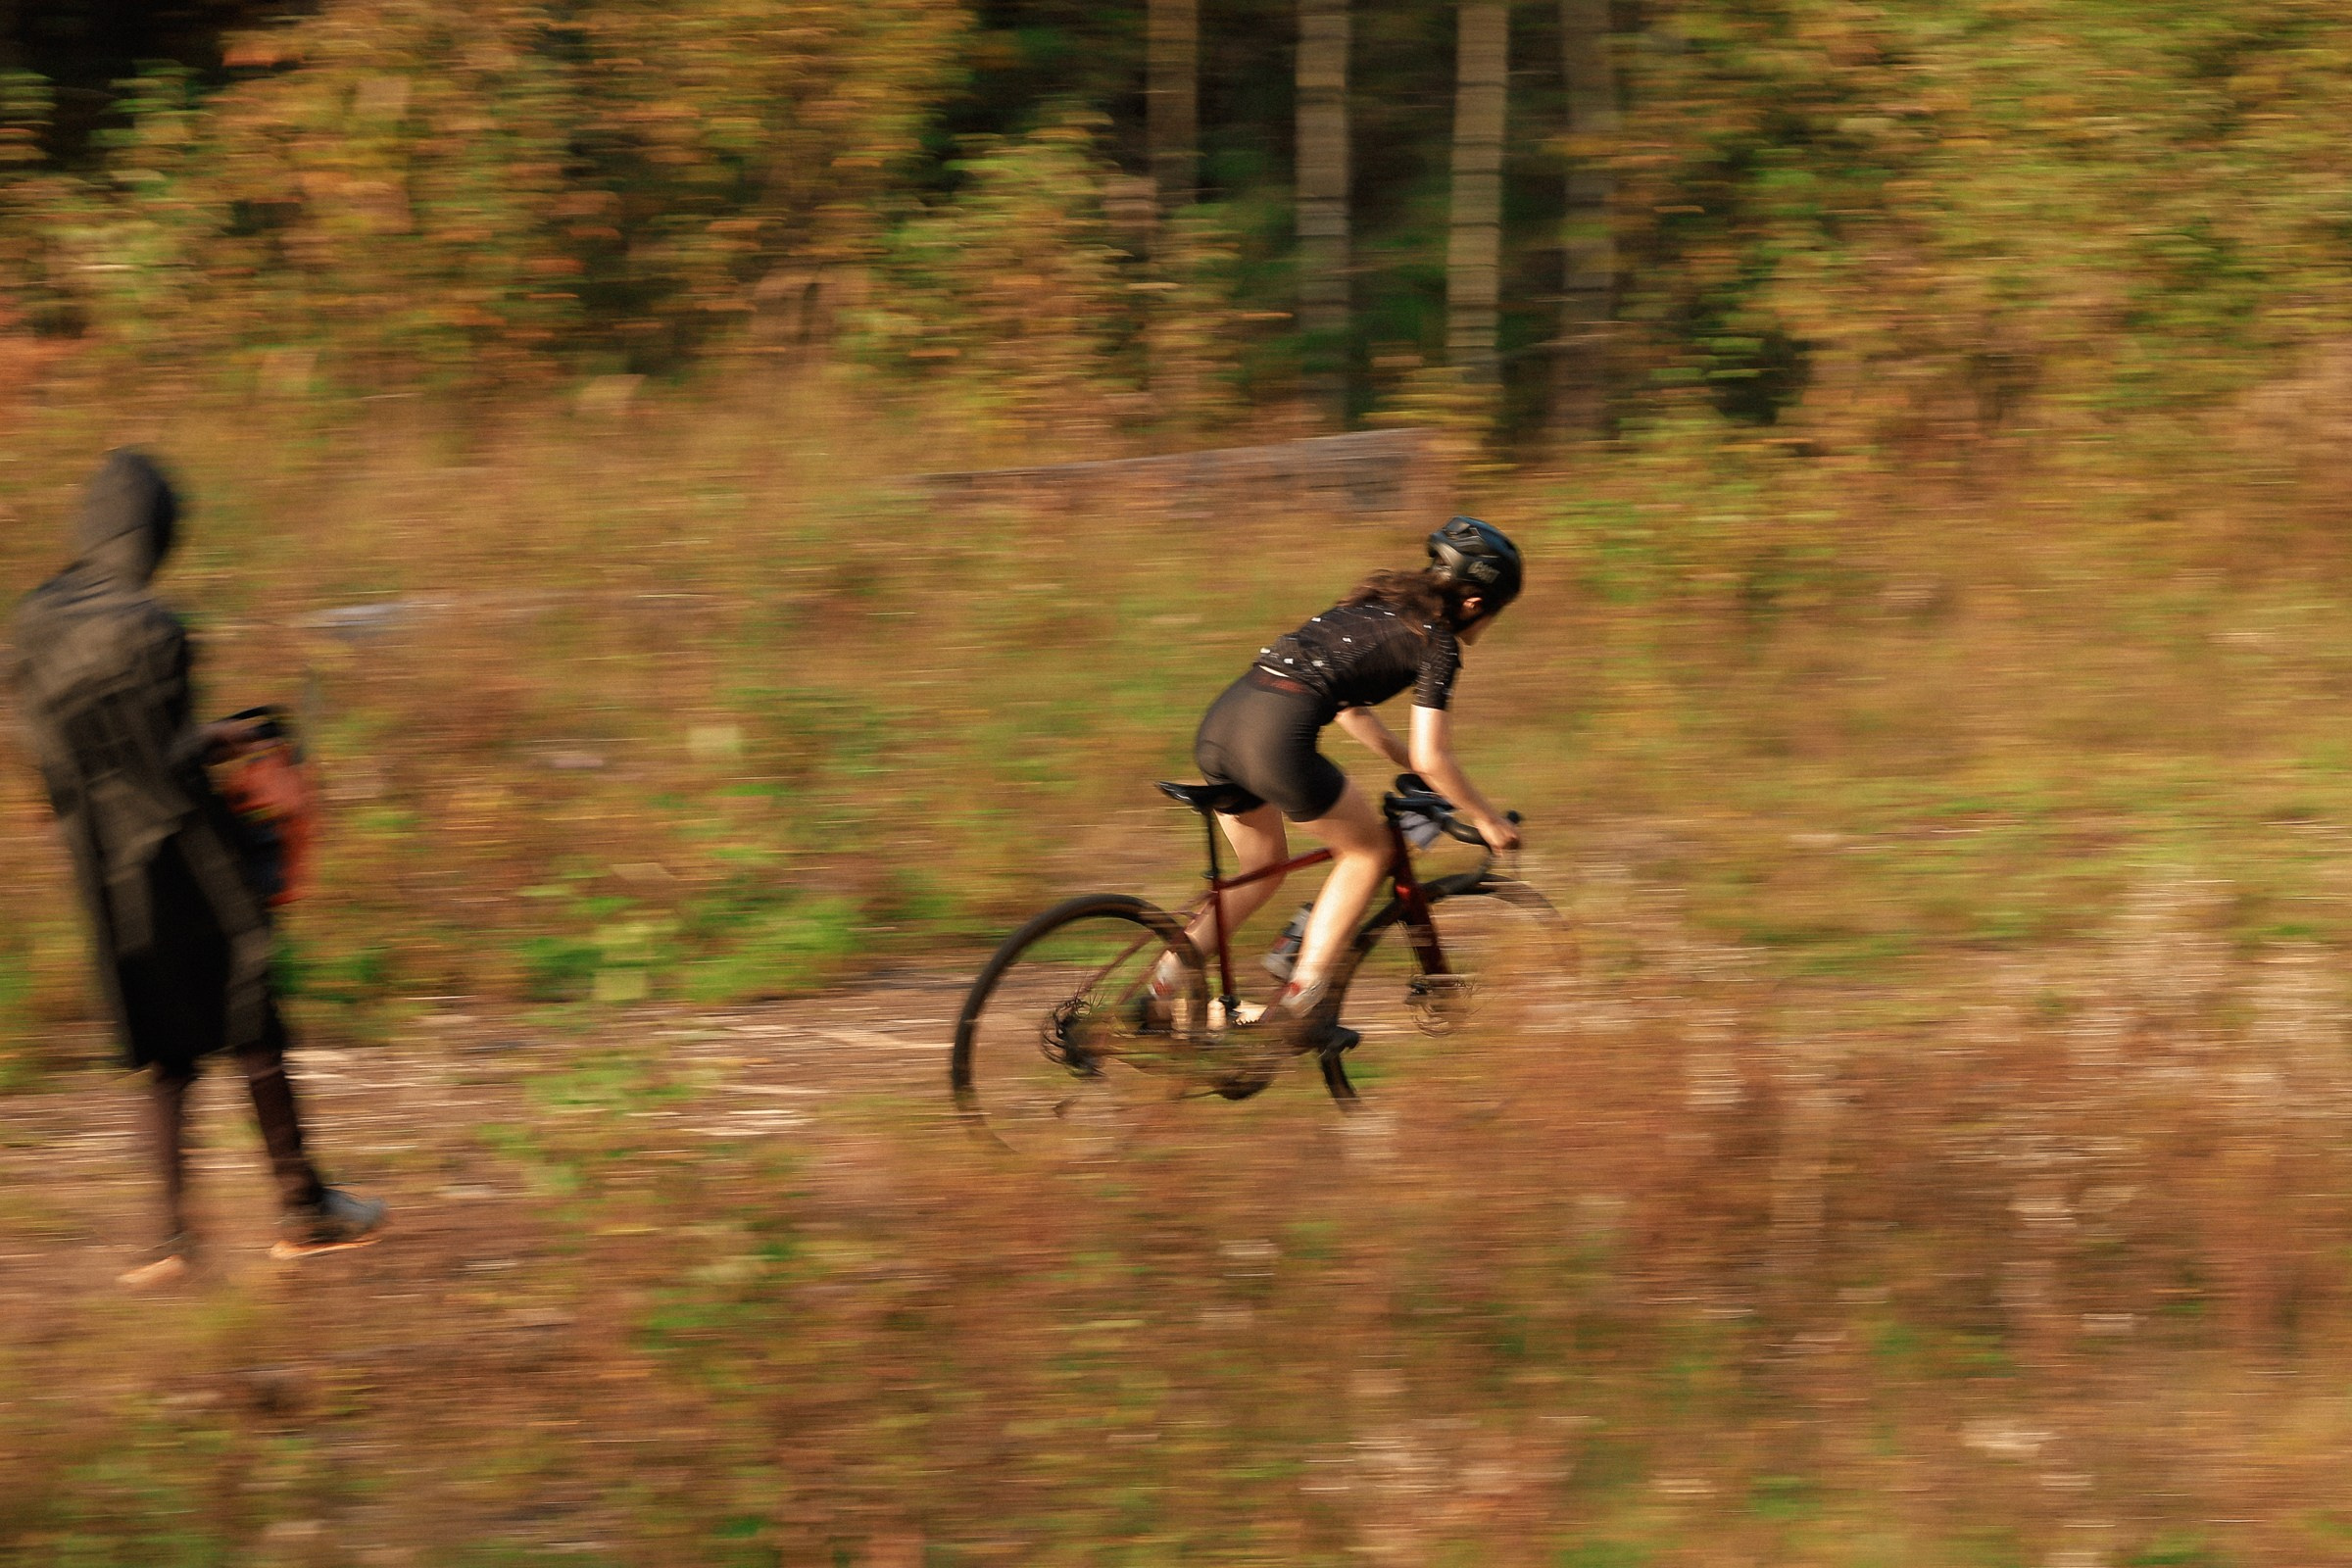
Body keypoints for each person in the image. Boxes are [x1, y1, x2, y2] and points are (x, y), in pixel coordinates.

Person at [9, 449, 384, 1286]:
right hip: (187, 857)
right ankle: (305, 1208)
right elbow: (172, 768)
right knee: (254, 1020)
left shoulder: (34, 619)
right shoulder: (155, 626)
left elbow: (82, 751)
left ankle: (166, 1241)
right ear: (154, 532)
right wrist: (240, 749)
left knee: (167, 1049)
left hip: (105, 871)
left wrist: (212, 734)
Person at [1176, 515, 1524, 1053]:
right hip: (1275, 739)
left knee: (1260, 871)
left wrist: (1406, 761)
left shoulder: (1378, 599)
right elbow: (1435, 755)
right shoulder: (1438, 642)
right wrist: (1487, 819)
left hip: (1225, 721)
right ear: (1476, 603)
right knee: (1369, 853)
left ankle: (1157, 995)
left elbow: (1350, 711)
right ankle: (1298, 1007)